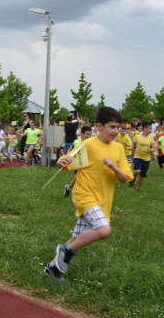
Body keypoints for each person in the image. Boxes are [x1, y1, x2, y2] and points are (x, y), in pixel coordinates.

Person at [43, 107, 133, 281]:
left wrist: (113, 167)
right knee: (103, 229)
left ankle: (52, 268)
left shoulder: (118, 149)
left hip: (103, 201)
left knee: (77, 237)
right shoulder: (89, 144)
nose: (115, 131)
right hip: (84, 196)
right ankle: (66, 252)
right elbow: (66, 164)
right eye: (112, 127)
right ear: (99, 126)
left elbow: (125, 178)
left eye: (118, 128)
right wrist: (61, 161)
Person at [63, 125, 92, 197]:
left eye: (90, 135)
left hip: (88, 164)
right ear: (82, 134)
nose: (89, 136)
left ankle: (68, 187)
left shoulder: (91, 143)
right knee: (79, 178)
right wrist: (68, 157)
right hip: (78, 163)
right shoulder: (76, 142)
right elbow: (70, 150)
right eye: (87, 134)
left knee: (77, 179)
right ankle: (80, 194)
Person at [130, 121, 156, 191]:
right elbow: (134, 144)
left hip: (146, 159)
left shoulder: (151, 138)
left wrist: (151, 149)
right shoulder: (137, 137)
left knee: (142, 175)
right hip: (138, 157)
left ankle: (137, 188)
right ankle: (133, 177)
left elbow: (154, 147)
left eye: (151, 129)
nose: (151, 130)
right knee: (138, 171)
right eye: (149, 129)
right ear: (144, 128)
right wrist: (131, 147)